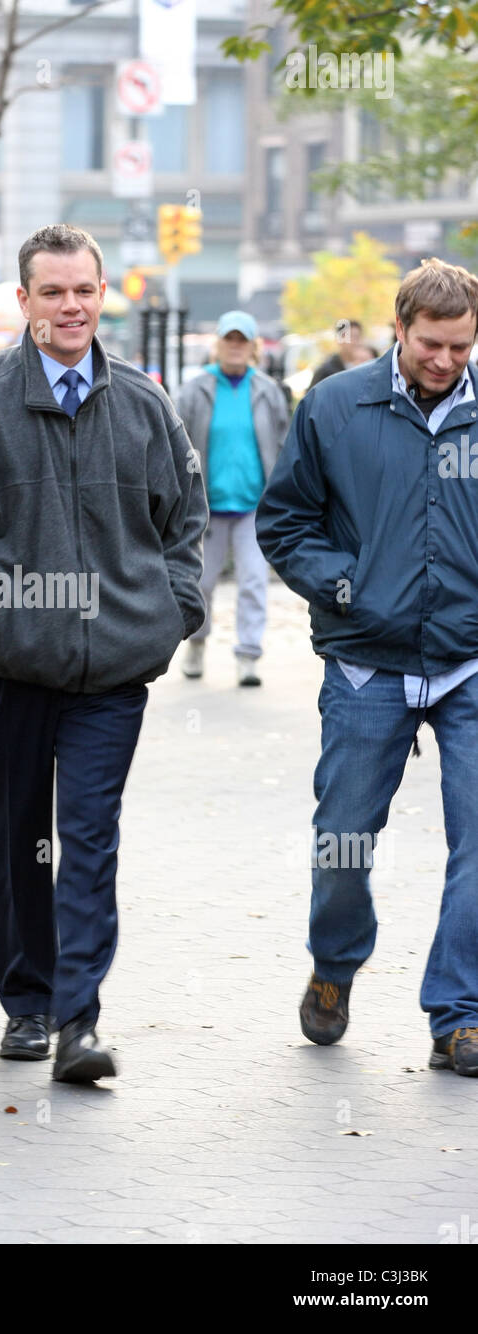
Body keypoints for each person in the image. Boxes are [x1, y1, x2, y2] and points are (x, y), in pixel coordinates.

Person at [0, 223, 206, 1084]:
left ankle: (78, 1020)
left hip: (111, 673)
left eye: (84, 290)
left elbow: (184, 523)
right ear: (25, 302)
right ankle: (28, 1002)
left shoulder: (146, 405)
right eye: (53, 292)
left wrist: (169, 613)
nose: (71, 306)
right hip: (10, 669)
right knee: (17, 838)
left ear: (102, 293)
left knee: (87, 837)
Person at [256, 257, 478, 1074]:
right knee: (344, 839)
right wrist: (343, 584)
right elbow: (285, 523)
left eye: (462, 346)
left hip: (469, 662)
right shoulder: (336, 407)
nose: (447, 361)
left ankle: (459, 1014)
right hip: (366, 664)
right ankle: (334, 964)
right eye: (432, 344)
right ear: (398, 328)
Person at [175, 311, 289, 687]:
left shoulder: (268, 390)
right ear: (218, 344)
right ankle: (197, 643)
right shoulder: (196, 389)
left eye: (243, 340)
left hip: (254, 507)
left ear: (254, 347)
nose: (235, 346)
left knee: (254, 581)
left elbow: (284, 443)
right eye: (229, 339)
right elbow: (177, 445)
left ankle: (248, 655)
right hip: (206, 507)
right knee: (202, 584)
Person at [308, 319, 365, 387]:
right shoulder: (326, 372)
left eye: (357, 337)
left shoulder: (368, 366)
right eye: (350, 337)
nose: (355, 342)